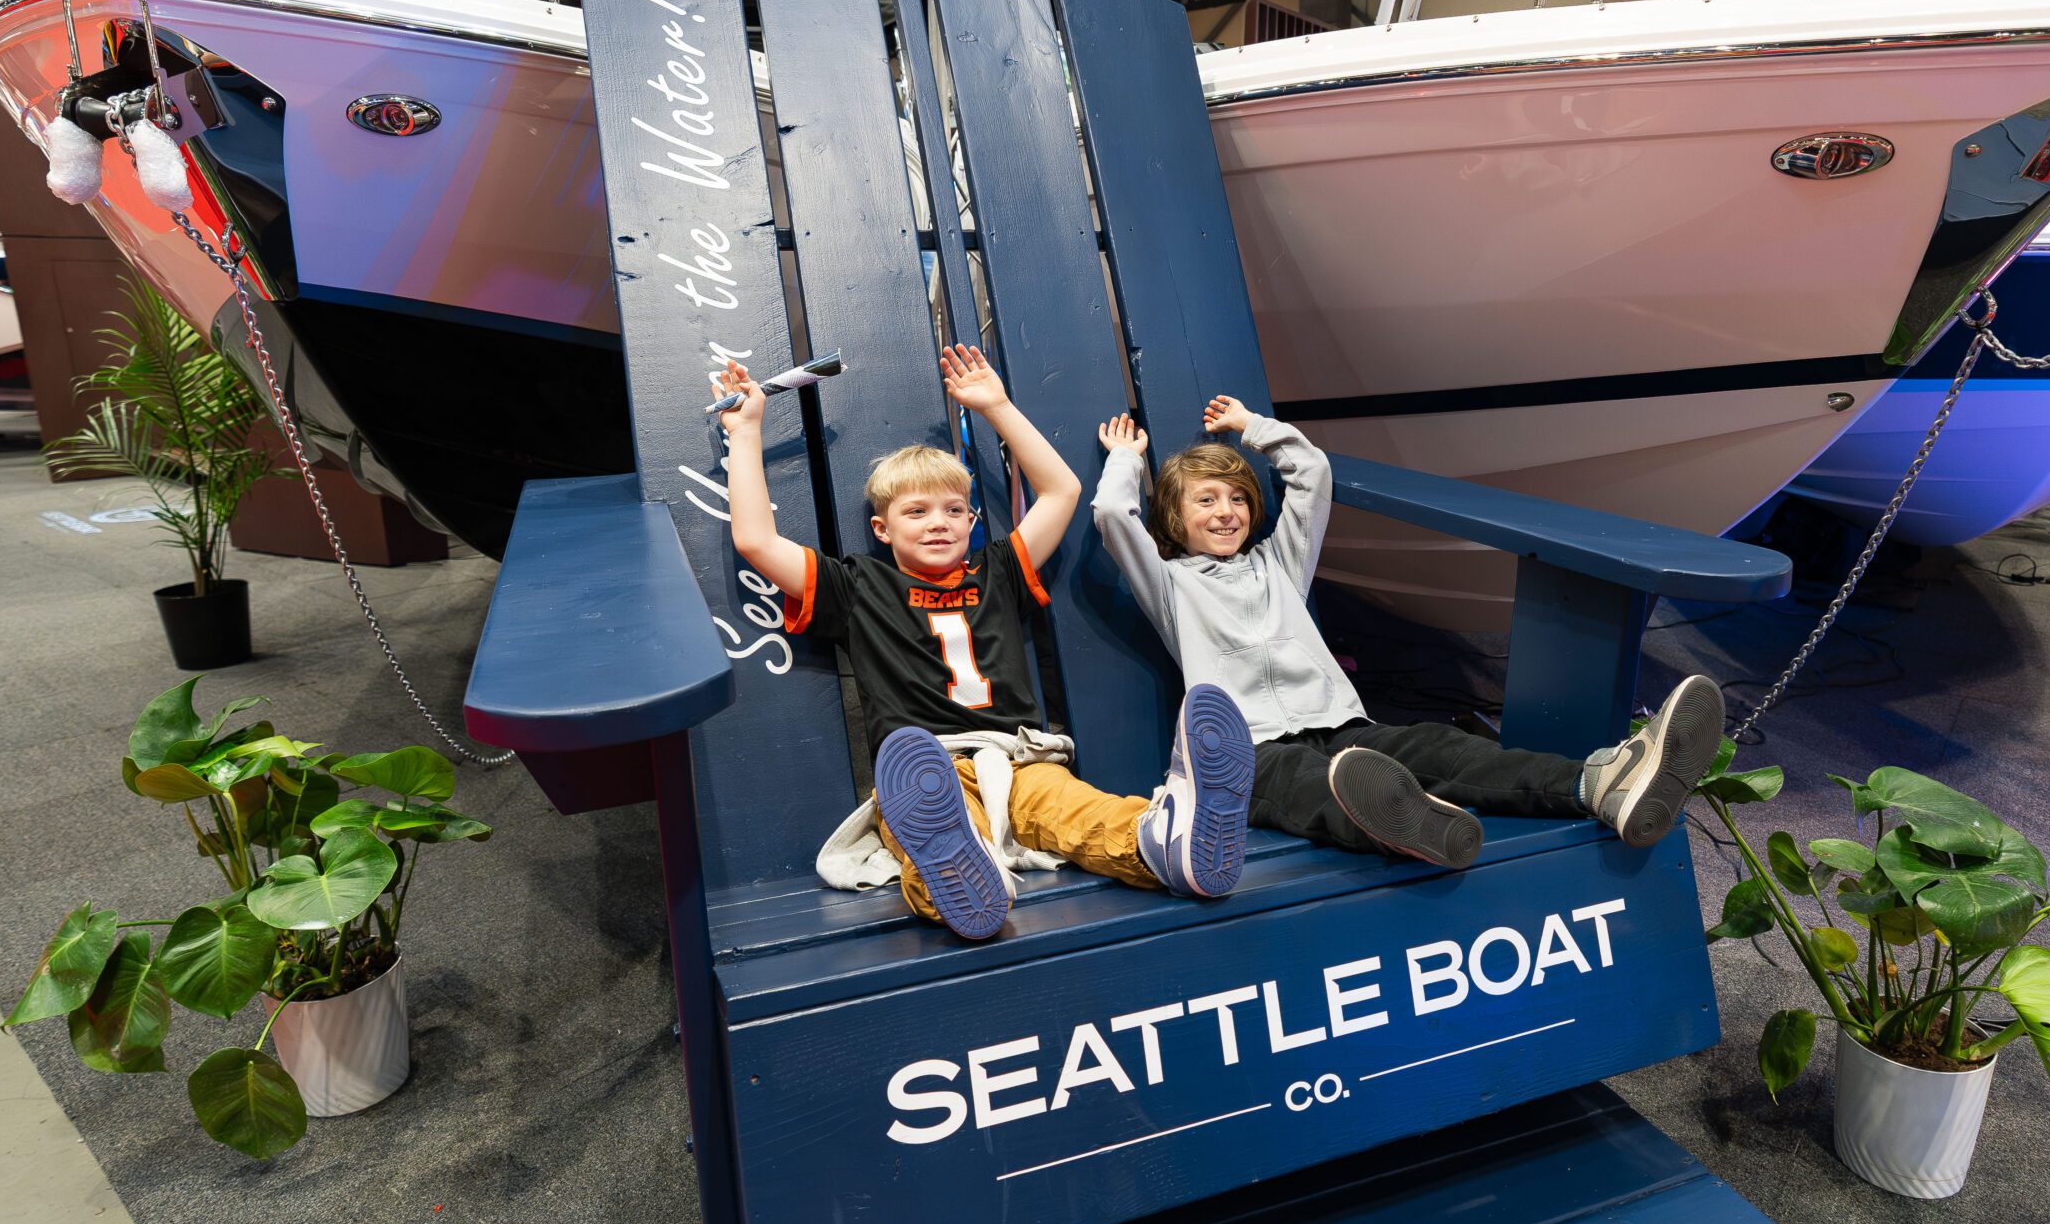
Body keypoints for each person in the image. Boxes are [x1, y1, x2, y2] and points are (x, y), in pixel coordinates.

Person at [714, 344, 1253, 942]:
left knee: (1078, 811)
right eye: (916, 511)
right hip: (925, 770)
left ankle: (1165, 843)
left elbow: (1062, 491)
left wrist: (996, 406)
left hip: (1019, 757)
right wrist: (746, 431)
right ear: (881, 529)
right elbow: (757, 541)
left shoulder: (998, 570)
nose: (938, 522)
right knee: (933, 824)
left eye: (954, 510)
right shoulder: (857, 585)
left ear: (972, 523)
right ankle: (968, 876)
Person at [1093, 395, 1722, 868]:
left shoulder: (1279, 563)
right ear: (1172, 516)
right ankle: (1410, 824)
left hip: (1343, 727)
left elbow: (1311, 475)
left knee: (1444, 750)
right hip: (1249, 750)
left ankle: (1599, 783)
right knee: (1304, 787)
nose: (1226, 512)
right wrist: (1126, 460)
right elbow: (1113, 515)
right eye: (1205, 500)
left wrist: (1254, 428)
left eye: (1237, 498)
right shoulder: (1170, 585)